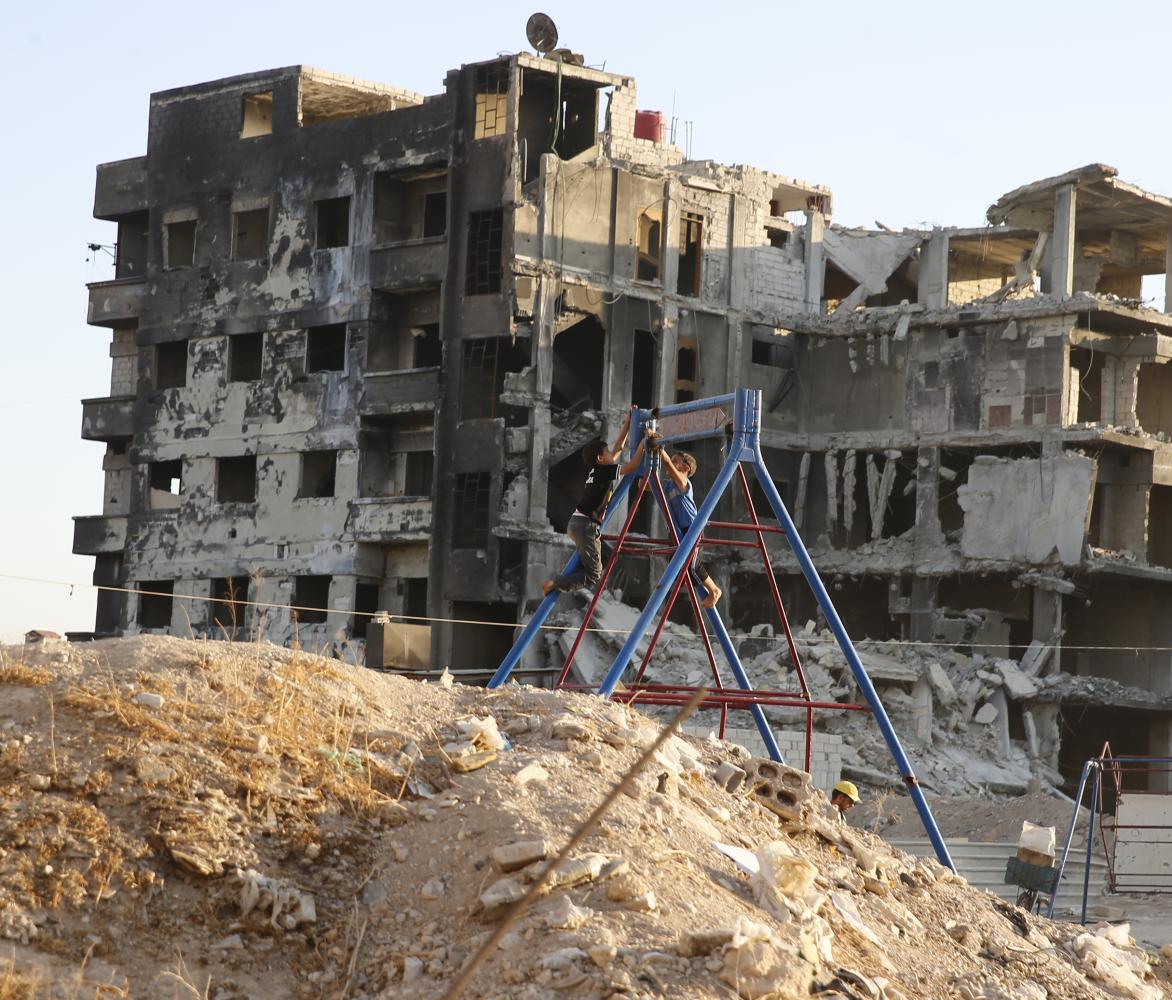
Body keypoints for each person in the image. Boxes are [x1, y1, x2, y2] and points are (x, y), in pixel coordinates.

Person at [542, 406, 646, 597]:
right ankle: (554, 584)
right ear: (600, 458)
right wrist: (645, 441)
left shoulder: (598, 470)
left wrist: (628, 422)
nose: (611, 455)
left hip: (579, 523)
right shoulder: (603, 471)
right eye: (607, 453)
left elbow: (618, 448)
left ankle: (569, 575)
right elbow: (632, 466)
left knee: (601, 559)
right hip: (585, 525)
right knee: (593, 575)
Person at [657, 448, 723, 608]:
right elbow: (644, 485)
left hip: (690, 529)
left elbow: (666, 463)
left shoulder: (683, 483)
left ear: (686, 469)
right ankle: (668, 593)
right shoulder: (667, 485)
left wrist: (658, 448)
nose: (671, 464)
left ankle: (714, 590)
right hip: (675, 532)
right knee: (673, 562)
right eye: (671, 460)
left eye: (675, 461)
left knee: (693, 566)